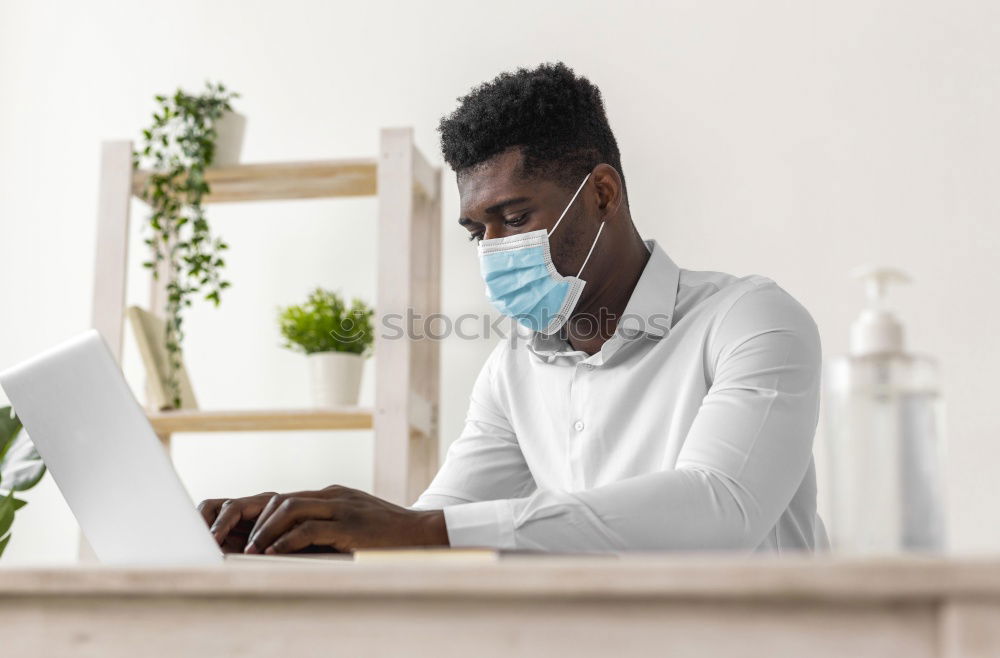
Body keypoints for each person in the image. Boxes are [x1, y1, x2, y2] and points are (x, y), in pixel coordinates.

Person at [199, 61, 829, 556]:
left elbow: (719, 511)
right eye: (479, 231)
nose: (496, 250)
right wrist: (296, 536)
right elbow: (426, 533)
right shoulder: (513, 373)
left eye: (516, 217)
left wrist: (416, 534)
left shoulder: (750, 320)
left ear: (603, 194)